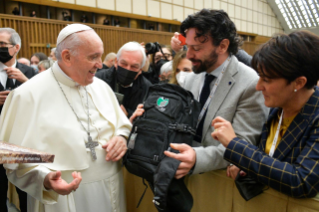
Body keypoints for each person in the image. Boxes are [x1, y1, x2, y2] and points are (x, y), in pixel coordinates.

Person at [0, 24, 131, 212]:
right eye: (93, 57)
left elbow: (122, 124)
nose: (100, 64)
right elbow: (13, 156)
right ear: (67, 57)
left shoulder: (101, 86)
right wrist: (44, 178)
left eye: (100, 56)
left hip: (111, 188)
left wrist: (121, 137)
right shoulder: (27, 94)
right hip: (64, 198)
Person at [212, 30, 319, 198]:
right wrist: (248, 166)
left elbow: (302, 181)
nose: (258, 86)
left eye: (267, 80)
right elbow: (270, 160)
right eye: (259, 77)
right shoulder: (278, 107)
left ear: (298, 82)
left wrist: (236, 146)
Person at [162, 9, 268, 178]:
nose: (188, 55)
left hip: (216, 181)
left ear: (223, 46)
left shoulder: (250, 84)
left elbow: (242, 145)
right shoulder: (192, 77)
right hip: (182, 173)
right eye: (187, 47)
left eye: (196, 48)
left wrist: (197, 158)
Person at [0, 27, 36, 212]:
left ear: (16, 47)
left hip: (24, 140)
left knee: (26, 191)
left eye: (2, 44)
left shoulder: (30, 72)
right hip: (0, 141)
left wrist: (26, 81)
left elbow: (44, 101)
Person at [95, 42, 152, 118]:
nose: (127, 69)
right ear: (116, 62)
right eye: (124, 63)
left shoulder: (147, 89)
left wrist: (128, 114)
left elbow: (147, 117)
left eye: (134, 66)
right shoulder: (98, 80)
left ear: (140, 70)